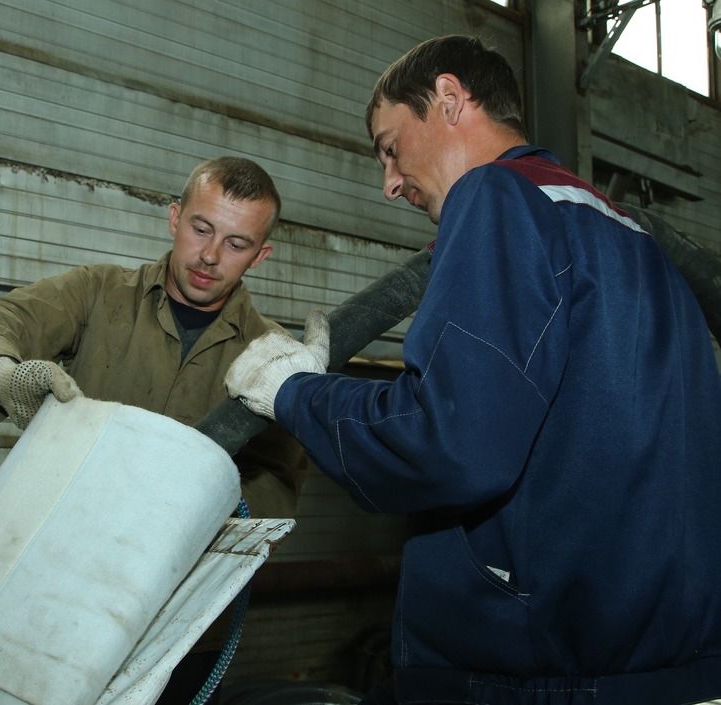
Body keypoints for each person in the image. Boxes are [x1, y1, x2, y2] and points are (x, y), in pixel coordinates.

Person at [225, 35, 721, 705]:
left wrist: (295, 392)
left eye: (390, 147)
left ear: (450, 100)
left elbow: (448, 439)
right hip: (663, 672)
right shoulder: (632, 240)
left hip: (528, 674)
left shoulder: (498, 197)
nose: (390, 184)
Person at [0, 156, 309, 703]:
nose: (209, 256)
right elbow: (1, 319)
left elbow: (278, 481)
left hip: (178, 619)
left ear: (261, 254)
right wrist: (2, 372)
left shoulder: (271, 358)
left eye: (236, 243)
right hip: (54, 585)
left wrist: (194, 510)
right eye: (201, 229)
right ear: (174, 218)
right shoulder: (97, 293)